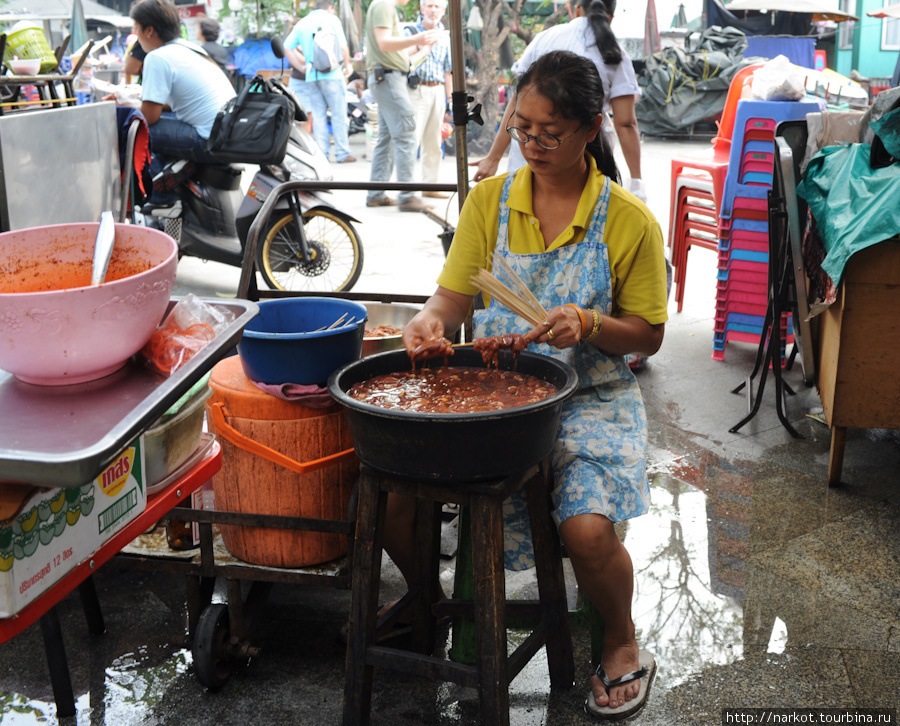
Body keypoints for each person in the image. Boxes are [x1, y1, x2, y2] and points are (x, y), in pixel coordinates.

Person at [397, 51, 667, 719]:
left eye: (550, 130)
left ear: (590, 127)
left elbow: (649, 335)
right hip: (499, 398)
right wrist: (429, 323)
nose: (533, 143)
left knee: (585, 528)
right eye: (521, 128)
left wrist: (592, 322)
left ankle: (623, 641)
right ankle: (425, 600)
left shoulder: (627, 219)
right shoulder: (490, 201)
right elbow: (450, 301)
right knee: (394, 492)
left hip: (590, 397)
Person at [471, 0, 645, 203]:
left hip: (532, 167)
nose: (538, 142)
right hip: (587, 167)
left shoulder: (545, 38)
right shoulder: (616, 55)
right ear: (611, 18)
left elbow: (517, 103)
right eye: (526, 125)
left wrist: (494, 157)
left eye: (551, 132)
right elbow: (625, 123)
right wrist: (636, 181)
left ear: (577, 10)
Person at [124, 0, 236, 209]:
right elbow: (167, 106)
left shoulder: (157, 57)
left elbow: (149, 117)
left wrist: (124, 107)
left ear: (149, 30)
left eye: (136, 29)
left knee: (133, 125)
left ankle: (156, 194)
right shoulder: (190, 48)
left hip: (207, 141)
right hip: (226, 136)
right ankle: (166, 179)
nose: (136, 36)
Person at [364, 0, 439, 211]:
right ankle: (407, 196)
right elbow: (384, 42)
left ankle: (376, 193)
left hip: (388, 77)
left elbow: (392, 51)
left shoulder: (385, 7)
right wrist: (417, 38)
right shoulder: (383, 5)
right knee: (406, 133)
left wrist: (422, 49)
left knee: (387, 138)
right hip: (388, 79)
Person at [284, 0, 356, 163]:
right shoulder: (332, 20)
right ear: (330, 7)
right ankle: (342, 153)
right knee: (338, 114)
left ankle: (322, 153)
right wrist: (348, 65)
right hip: (333, 74)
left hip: (311, 75)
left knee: (318, 115)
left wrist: (301, 67)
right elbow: (344, 47)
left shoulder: (302, 23)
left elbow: (287, 46)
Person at [403, 0, 453, 198]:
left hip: (437, 89)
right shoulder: (411, 31)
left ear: (443, 11)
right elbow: (401, 58)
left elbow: (448, 71)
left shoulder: (445, 36)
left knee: (433, 142)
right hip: (416, 89)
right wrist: (421, 43)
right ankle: (406, 189)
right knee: (411, 140)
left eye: (437, 7)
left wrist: (449, 99)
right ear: (422, 9)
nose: (433, 10)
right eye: (429, 6)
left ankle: (429, 185)